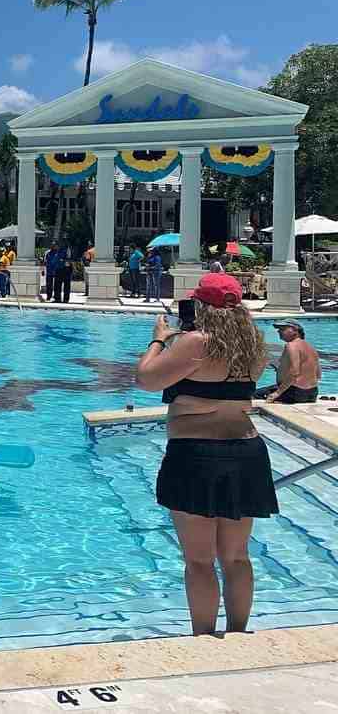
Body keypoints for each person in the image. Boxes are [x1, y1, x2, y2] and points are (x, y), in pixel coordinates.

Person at [136, 272, 277, 636]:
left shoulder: (196, 342)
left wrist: (158, 339)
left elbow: (146, 379)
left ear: (202, 306)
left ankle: (203, 638)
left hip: (197, 454)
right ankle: (238, 633)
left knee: (199, 560)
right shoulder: (254, 343)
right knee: (237, 556)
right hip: (246, 451)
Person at [257, 319, 321, 403]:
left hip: (294, 393)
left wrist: (277, 393)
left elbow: (294, 372)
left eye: (283, 329)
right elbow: (318, 374)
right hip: (312, 393)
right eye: (279, 329)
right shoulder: (310, 347)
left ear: (295, 330)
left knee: (252, 394)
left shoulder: (291, 345)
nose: (279, 331)